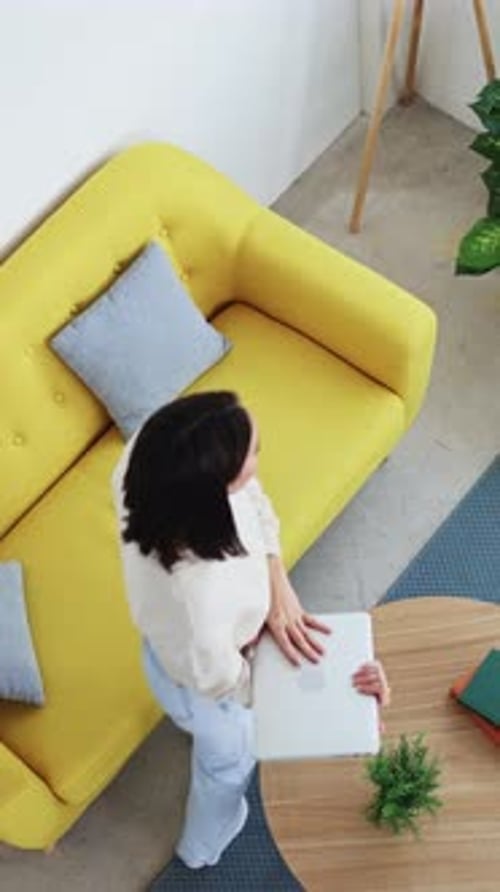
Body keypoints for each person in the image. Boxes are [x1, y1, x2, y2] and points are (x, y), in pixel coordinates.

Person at [111, 390, 390, 870]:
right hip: (208, 687)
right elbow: (224, 683)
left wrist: (276, 580)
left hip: (187, 655)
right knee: (225, 768)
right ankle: (201, 849)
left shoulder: (148, 457)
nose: (258, 463)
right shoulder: (197, 599)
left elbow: (252, 500)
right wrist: (323, 708)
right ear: (210, 494)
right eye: (251, 458)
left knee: (210, 733)